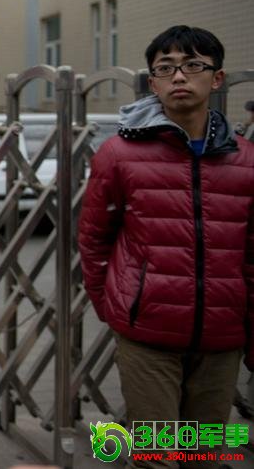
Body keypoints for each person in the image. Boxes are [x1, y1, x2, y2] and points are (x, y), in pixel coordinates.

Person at [78, 26, 254, 468]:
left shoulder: (247, 160)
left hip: (222, 337)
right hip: (148, 335)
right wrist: (115, 307)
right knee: (156, 456)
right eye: (165, 68)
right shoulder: (119, 155)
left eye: (193, 65)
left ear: (216, 78)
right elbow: (94, 239)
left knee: (204, 456)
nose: (179, 76)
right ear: (153, 83)